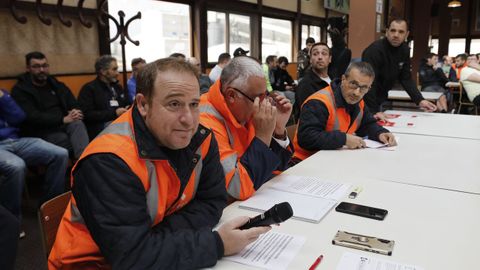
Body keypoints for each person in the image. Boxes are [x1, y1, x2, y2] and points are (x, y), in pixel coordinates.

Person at [48, 58, 271, 269]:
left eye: (194, 104)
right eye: (174, 104)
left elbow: (213, 201)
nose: (189, 119)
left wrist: (155, 237)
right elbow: (132, 258)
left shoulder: (201, 137)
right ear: (143, 105)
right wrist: (217, 244)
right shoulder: (108, 160)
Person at [199, 56, 293, 201]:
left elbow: (276, 168)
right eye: (258, 97)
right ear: (231, 95)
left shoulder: (245, 108)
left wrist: (278, 130)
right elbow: (237, 188)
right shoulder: (206, 122)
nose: (265, 103)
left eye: (265, 95)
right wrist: (262, 137)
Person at [292, 62, 396, 163]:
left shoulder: (359, 102)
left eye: (363, 88)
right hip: (304, 162)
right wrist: (344, 139)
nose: (356, 92)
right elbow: (306, 137)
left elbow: (367, 124)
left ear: (369, 88)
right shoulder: (319, 102)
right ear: (343, 79)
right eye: (353, 84)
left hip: (332, 160)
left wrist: (380, 133)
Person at [0, 88, 68, 234]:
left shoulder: (2, 93)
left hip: (16, 140)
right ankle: (8, 221)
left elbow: (18, 117)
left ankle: (48, 206)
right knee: (16, 166)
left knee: (60, 154)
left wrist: (3, 98)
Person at [11, 51, 89, 159]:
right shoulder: (20, 90)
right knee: (71, 140)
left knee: (78, 124)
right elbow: (31, 116)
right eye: (36, 66)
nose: (42, 70)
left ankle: (83, 164)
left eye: (44, 66)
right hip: (39, 132)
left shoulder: (57, 85)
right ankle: (84, 165)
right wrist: (62, 119)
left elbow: (74, 103)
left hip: (64, 125)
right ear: (28, 69)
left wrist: (76, 112)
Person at [362, 19, 437, 120]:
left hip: (381, 97)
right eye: (393, 31)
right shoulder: (374, 51)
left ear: (407, 34)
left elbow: (405, 78)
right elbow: (368, 83)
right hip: (363, 99)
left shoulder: (404, 50)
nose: (396, 35)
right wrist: (373, 111)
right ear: (387, 32)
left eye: (401, 32)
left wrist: (419, 100)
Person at [78, 55, 131, 140]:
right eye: (114, 69)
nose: (118, 73)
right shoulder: (89, 89)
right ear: (103, 71)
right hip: (100, 127)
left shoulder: (117, 87)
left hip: (120, 122)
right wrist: (114, 113)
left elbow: (126, 102)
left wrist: (128, 107)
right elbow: (87, 114)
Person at [295, 42, 332, 119]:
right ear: (311, 60)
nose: (320, 57)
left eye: (324, 53)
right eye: (315, 54)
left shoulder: (335, 80)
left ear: (330, 59)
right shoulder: (305, 85)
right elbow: (309, 116)